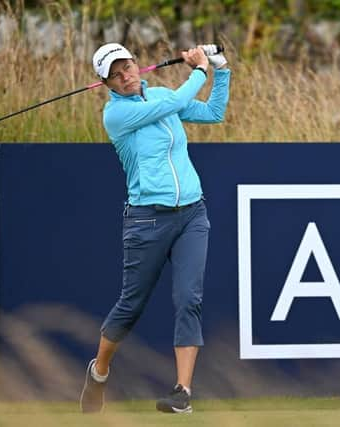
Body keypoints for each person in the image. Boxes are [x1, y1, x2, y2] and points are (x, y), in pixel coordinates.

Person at [79, 42, 230, 414]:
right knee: (131, 306)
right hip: (147, 219)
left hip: (193, 213)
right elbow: (172, 105)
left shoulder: (162, 94)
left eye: (127, 66)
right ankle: (99, 372)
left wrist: (220, 69)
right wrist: (197, 71)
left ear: (136, 64)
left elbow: (213, 112)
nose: (125, 76)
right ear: (107, 84)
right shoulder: (116, 116)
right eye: (115, 75)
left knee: (189, 299)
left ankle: (182, 393)